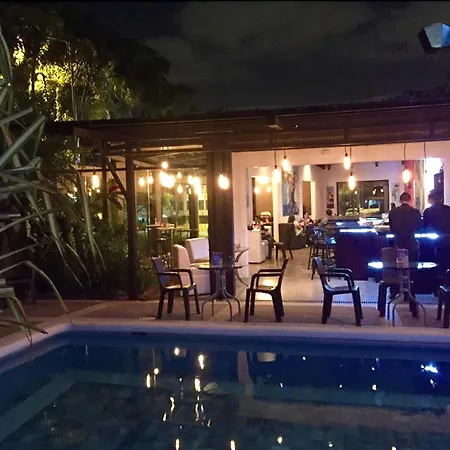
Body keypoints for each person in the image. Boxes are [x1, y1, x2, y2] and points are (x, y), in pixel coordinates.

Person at [388, 192, 422, 260]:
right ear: (410, 200)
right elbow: (419, 227)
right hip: (412, 240)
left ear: (400, 201)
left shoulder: (393, 212)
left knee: (400, 260)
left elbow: (391, 227)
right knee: (412, 260)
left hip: (398, 240)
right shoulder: (416, 212)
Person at [423, 190, 450, 275]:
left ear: (431, 199)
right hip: (447, 240)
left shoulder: (428, 211)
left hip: (433, 242)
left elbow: (425, 226)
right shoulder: (448, 209)